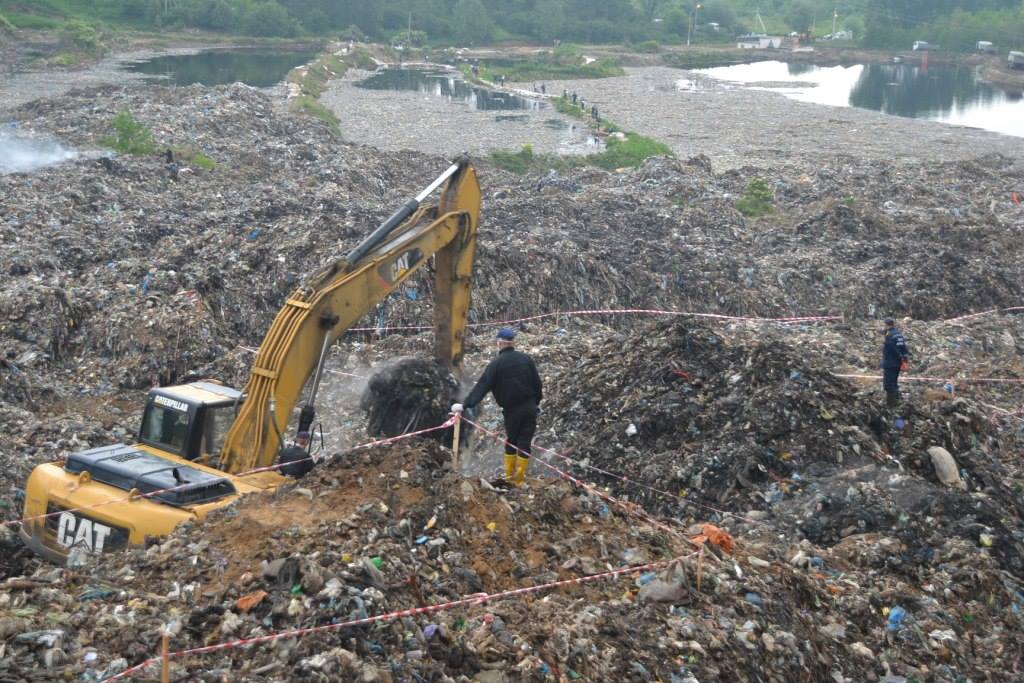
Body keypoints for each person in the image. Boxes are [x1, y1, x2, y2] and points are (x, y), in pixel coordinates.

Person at [452, 328, 542, 486]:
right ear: (512, 343)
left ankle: (510, 477)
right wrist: (536, 403)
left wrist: (465, 405)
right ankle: (520, 480)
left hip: (512, 411)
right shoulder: (526, 359)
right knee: (525, 443)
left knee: (512, 442)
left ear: (499, 343)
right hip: (530, 407)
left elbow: (481, 388)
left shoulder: (496, 365)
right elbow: (537, 384)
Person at [880, 317, 910, 407]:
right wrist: (904, 361)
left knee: (888, 384)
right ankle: (896, 402)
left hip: (890, 363)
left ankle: (892, 404)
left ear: (886, 325)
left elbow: (891, 349)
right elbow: (904, 349)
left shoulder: (889, 336)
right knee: (894, 382)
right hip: (897, 363)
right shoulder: (899, 335)